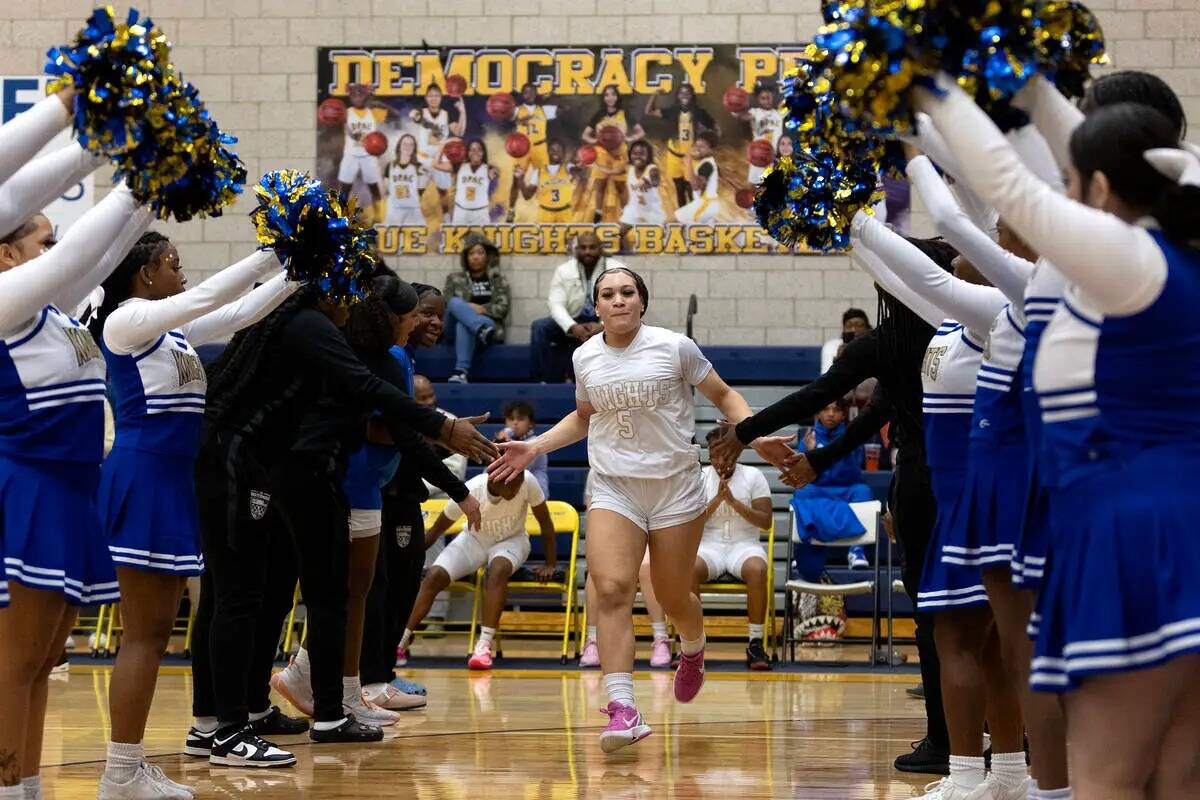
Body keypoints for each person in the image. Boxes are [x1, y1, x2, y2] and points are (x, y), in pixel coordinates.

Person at [920, 71, 1200, 800]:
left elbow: (1012, 186)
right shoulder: (1172, 251)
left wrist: (924, 82)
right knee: (1175, 773)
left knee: (1104, 776)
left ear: (1101, 189)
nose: (1062, 191)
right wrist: (1031, 78)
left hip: (1135, 529)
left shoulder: (1127, 261)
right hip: (1166, 515)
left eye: (1072, 178)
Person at [190, 276, 495, 766]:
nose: (353, 301)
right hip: (272, 469)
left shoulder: (314, 330)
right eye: (412, 314)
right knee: (252, 596)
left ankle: (239, 714)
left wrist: (439, 437)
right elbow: (372, 397)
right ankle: (239, 724)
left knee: (268, 596)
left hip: (279, 469)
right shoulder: (312, 327)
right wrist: (440, 426)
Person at [708, 234, 957, 776]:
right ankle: (998, 731)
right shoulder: (965, 331)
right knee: (975, 611)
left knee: (933, 617)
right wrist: (820, 461)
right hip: (975, 478)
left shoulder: (886, 341)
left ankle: (944, 739)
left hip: (923, 482)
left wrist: (744, 432)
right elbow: (875, 413)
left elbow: (815, 398)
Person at [488, 266, 765, 753]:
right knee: (612, 587)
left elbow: (724, 396)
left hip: (676, 487)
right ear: (596, 306)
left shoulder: (675, 347)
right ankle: (623, 707)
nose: (618, 300)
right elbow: (583, 416)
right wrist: (534, 447)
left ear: (642, 302)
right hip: (615, 485)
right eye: (608, 294)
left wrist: (756, 433)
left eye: (627, 292)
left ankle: (694, 648)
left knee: (674, 595)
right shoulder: (585, 356)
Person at [92, 231, 298, 798]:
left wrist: (301, 270)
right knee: (143, 635)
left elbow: (237, 311)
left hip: (172, 480)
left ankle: (126, 768)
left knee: (155, 634)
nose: (181, 274)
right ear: (146, 274)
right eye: (173, 264)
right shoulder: (125, 322)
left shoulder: (171, 334)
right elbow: (207, 297)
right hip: (143, 476)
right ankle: (120, 773)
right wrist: (273, 251)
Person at [0, 184, 150, 800]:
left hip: (72, 493)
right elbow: (76, 257)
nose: (58, 251)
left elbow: (96, 257)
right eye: (43, 240)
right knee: (14, 664)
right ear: (8, 256)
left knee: (40, 663)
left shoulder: (52, 310)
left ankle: (27, 789)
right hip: (31, 489)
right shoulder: (5, 303)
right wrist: (136, 180)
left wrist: (154, 198)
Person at [269, 277, 474, 719]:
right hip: (353, 482)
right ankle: (340, 691)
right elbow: (386, 428)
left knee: (359, 592)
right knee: (352, 592)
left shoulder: (394, 356)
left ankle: (344, 689)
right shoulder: (390, 359)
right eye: (418, 313)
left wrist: (434, 429)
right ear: (393, 318)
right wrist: (439, 432)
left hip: (370, 485)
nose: (426, 320)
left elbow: (397, 426)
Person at [399, 471, 556, 670]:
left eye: (519, 484)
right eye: (511, 485)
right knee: (434, 575)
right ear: (493, 478)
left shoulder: (528, 480)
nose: (516, 490)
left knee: (497, 570)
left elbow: (545, 522)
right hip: (474, 539)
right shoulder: (471, 489)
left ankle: (483, 646)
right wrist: (411, 561)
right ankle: (401, 640)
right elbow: (437, 530)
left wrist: (550, 563)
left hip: (512, 541)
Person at [696, 429, 774, 670]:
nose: (719, 461)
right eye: (713, 454)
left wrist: (735, 503)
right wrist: (717, 501)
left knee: (757, 569)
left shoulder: (754, 476)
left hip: (744, 545)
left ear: (736, 452)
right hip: (709, 546)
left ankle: (755, 643)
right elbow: (691, 523)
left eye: (723, 454)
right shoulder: (698, 478)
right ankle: (693, 646)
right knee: (687, 568)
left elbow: (766, 521)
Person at [580, 471, 674, 670]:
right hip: (613, 537)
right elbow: (594, 516)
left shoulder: (652, 467)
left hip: (650, 536)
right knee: (597, 574)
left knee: (647, 567)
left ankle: (661, 638)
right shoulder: (598, 469)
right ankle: (593, 640)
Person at [790, 400, 876, 575]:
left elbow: (854, 473)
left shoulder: (852, 435)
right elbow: (801, 475)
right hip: (818, 490)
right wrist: (809, 453)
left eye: (836, 410)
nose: (830, 414)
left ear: (843, 415)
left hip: (846, 489)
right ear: (818, 414)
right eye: (826, 409)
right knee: (802, 491)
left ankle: (856, 551)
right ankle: (803, 551)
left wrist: (846, 449)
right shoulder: (808, 437)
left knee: (863, 491)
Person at [529, 232, 622, 383]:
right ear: (576, 249)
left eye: (592, 247)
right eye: (583, 248)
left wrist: (603, 326)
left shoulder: (617, 269)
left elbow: (625, 304)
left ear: (600, 249)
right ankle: (543, 382)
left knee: (629, 323)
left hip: (605, 320)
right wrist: (572, 326)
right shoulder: (564, 270)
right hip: (573, 319)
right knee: (540, 327)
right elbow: (555, 304)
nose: (587, 252)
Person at [442, 232, 510, 383]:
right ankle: (479, 328)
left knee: (463, 324)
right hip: (455, 330)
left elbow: (503, 308)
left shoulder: (498, 280)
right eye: (471, 253)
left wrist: (482, 309)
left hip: (490, 328)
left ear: (488, 256)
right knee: (454, 303)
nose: (476, 256)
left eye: (480, 252)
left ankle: (460, 372)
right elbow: (447, 304)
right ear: (465, 257)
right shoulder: (454, 278)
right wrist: (468, 307)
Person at [644, 82, 718, 209]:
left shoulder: (699, 112)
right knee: (679, 188)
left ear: (692, 96)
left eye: (687, 93)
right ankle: (684, 219)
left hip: (692, 157)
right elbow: (648, 111)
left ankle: (695, 216)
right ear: (678, 96)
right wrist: (654, 94)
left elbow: (715, 127)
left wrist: (711, 144)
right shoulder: (672, 111)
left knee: (692, 189)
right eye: (681, 93)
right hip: (674, 156)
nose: (684, 95)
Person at [581, 85, 645, 223]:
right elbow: (585, 135)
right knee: (600, 186)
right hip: (602, 154)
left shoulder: (625, 113)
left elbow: (641, 132)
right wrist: (596, 141)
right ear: (603, 98)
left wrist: (629, 139)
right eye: (606, 95)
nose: (610, 98)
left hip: (619, 154)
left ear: (617, 96)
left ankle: (626, 214)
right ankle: (598, 215)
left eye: (613, 94)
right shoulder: (599, 115)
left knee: (621, 187)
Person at [337, 83, 394, 223]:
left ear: (366, 96)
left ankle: (379, 216)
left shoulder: (373, 112)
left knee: (374, 187)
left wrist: (379, 103)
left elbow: (395, 114)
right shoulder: (345, 112)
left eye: (360, 94)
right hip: (351, 153)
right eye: (354, 94)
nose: (357, 97)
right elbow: (343, 126)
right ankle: (342, 217)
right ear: (350, 97)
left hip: (369, 154)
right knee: (344, 188)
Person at [410, 83, 465, 215]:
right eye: (430, 96)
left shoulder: (446, 115)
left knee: (443, 192)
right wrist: (431, 126)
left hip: (440, 160)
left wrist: (463, 112)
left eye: (436, 95)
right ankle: (410, 217)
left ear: (441, 98)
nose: (433, 98)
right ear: (426, 97)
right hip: (423, 159)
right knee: (418, 190)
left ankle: (446, 218)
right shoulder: (421, 112)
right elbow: (412, 115)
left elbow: (459, 132)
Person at [507, 84, 558, 219]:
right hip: (522, 148)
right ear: (522, 95)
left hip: (540, 147)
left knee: (547, 180)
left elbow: (564, 109)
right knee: (516, 180)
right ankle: (511, 211)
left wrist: (549, 97)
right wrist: (518, 120)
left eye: (532, 92)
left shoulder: (545, 110)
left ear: (536, 94)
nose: (529, 95)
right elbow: (505, 117)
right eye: (526, 92)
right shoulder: (517, 110)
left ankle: (550, 209)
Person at [517, 140, 582, 224]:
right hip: (545, 213)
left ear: (563, 153)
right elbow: (527, 196)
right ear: (548, 151)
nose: (556, 152)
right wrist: (520, 178)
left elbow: (576, 170)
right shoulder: (538, 172)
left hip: (564, 213)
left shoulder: (567, 167)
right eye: (553, 149)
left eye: (559, 150)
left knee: (566, 237)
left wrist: (580, 164)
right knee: (545, 237)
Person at [732, 83, 783, 186]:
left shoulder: (779, 113)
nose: (767, 100)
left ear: (773, 98)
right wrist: (734, 107)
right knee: (756, 187)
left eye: (769, 98)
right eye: (763, 98)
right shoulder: (755, 112)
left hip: (774, 157)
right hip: (759, 156)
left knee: (775, 189)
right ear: (758, 100)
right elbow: (742, 117)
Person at [618, 140, 666, 249]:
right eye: (635, 153)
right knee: (618, 234)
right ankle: (623, 254)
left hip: (652, 211)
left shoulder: (652, 169)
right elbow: (614, 171)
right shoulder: (629, 168)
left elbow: (656, 180)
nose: (638, 157)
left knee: (663, 241)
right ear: (630, 155)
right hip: (634, 209)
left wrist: (651, 183)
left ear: (648, 156)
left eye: (642, 154)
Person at [495, 400, 548, 497]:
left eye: (520, 419)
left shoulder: (536, 442)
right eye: (511, 419)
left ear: (531, 423)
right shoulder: (501, 442)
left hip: (536, 495)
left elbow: (520, 467)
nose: (515, 423)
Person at [383, 134, 429, 228]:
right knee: (390, 240)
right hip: (394, 210)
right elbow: (387, 189)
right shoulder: (390, 166)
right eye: (404, 144)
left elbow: (420, 191)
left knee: (416, 240)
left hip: (412, 209)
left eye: (411, 144)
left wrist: (424, 175)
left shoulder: (419, 167)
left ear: (414, 148)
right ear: (399, 146)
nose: (407, 147)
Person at [675, 132, 721, 226]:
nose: (697, 149)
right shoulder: (707, 162)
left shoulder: (706, 165)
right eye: (696, 146)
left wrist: (688, 163)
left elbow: (695, 186)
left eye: (702, 147)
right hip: (706, 204)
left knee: (675, 221)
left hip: (705, 204)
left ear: (711, 150)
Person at [820, 308, 872, 373]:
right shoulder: (832, 346)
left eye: (859, 325)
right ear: (844, 329)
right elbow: (826, 377)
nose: (854, 329)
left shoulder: (873, 347)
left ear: (868, 328)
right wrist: (839, 360)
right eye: (849, 326)